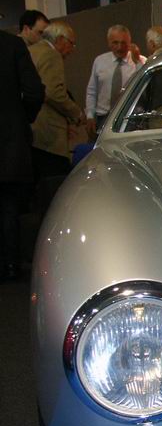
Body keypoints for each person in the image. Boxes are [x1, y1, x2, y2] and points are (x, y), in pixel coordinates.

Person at [0, 31, 44, 281]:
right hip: (10, 140)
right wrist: (21, 118)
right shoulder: (12, 45)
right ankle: (11, 264)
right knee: (10, 206)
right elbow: (35, 91)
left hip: (12, 138)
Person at [28, 22, 82, 218]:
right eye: (71, 43)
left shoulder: (31, 50)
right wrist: (76, 113)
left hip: (31, 131)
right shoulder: (52, 55)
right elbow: (53, 92)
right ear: (60, 40)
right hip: (49, 134)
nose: (71, 50)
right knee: (55, 191)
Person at [86, 25, 145, 137]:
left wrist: (137, 61)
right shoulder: (100, 61)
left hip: (129, 118)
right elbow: (92, 91)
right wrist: (90, 115)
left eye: (123, 43)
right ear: (109, 43)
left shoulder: (139, 61)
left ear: (130, 43)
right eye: (115, 43)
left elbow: (143, 87)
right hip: (103, 117)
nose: (119, 47)